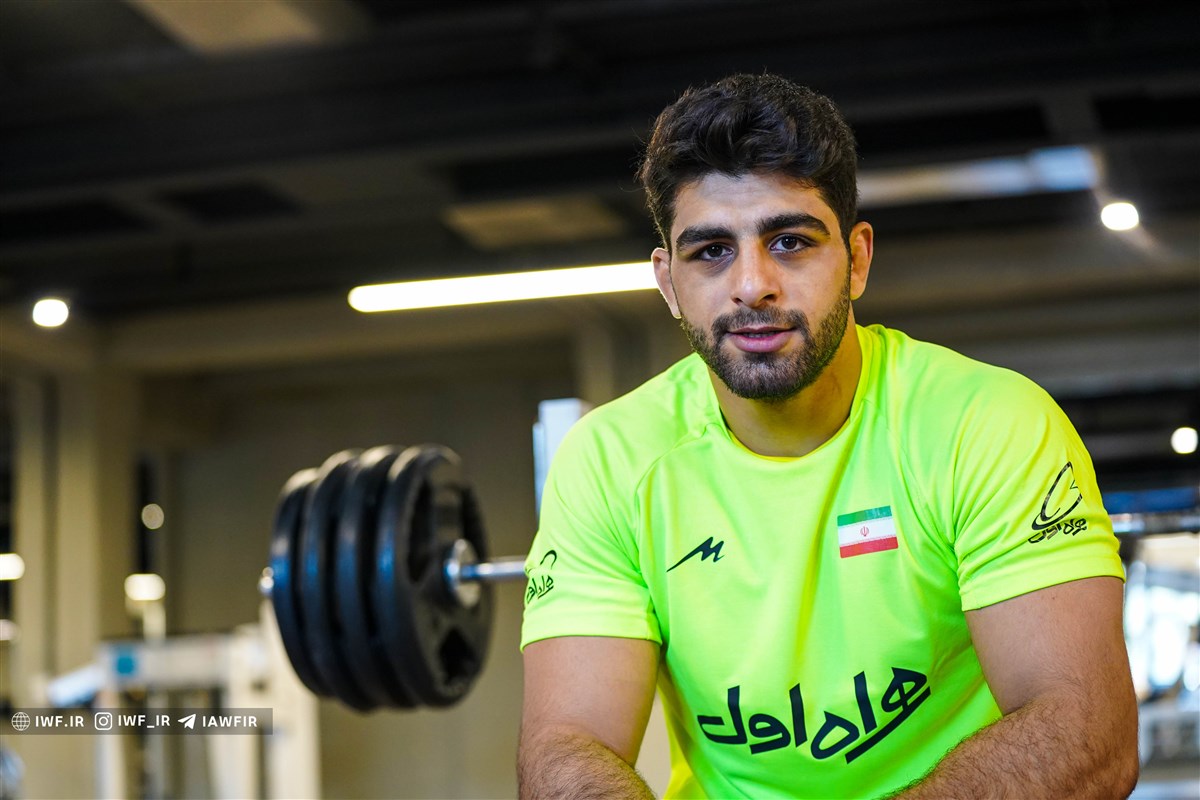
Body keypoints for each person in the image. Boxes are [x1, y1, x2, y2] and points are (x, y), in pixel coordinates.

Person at [516, 73, 1138, 799]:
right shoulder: (610, 460)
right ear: (667, 282)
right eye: (711, 250)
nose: (752, 285)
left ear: (858, 258)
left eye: (790, 241)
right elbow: (568, 745)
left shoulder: (985, 423)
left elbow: (1087, 733)